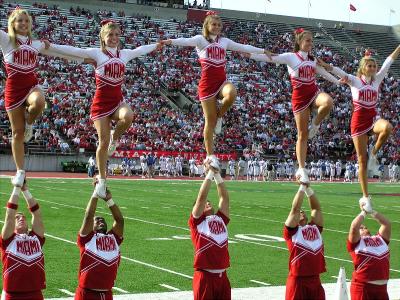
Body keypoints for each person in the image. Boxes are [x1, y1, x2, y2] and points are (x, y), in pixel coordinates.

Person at [46, 20, 162, 197]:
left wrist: (156, 45)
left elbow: (140, 50)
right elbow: (72, 51)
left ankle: (116, 138)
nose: (114, 38)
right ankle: (102, 179)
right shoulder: (97, 54)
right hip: (100, 105)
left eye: (116, 35)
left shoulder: (124, 54)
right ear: (103, 37)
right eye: (110, 35)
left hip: (117, 102)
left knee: (128, 116)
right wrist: (50, 46)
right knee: (103, 142)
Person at [161, 11, 269, 169]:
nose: (217, 27)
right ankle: (210, 155)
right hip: (206, 86)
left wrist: (262, 50)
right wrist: (169, 41)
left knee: (232, 93)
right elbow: (185, 41)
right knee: (209, 123)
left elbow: (242, 47)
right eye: (214, 24)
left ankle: (220, 116)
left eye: (219, 24)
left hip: (221, 82)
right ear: (207, 25)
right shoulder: (200, 40)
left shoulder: (224, 41)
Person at [2, 7, 83, 187]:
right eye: (19, 21)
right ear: (13, 24)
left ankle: (30, 123)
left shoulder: (36, 43)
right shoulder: (6, 40)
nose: (23, 23)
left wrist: (86, 57)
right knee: (17, 133)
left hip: (31, 86)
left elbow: (60, 50)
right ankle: (20, 172)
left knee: (39, 102)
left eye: (26, 20)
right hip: (13, 90)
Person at [247, 28, 340, 184]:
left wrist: (338, 81)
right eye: (308, 40)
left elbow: (324, 73)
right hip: (299, 99)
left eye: (312, 41)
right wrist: (250, 55)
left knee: (328, 102)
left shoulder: (312, 59)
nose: (311, 43)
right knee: (302, 135)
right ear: (299, 42)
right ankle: (302, 169)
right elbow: (272, 58)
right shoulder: (291, 57)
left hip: (314, 93)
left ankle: (315, 124)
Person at [318, 46, 400, 211]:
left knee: (388, 128)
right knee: (361, 161)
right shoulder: (355, 80)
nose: (372, 68)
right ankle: (365, 196)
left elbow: (388, 62)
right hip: (358, 123)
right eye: (369, 66)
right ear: (363, 67)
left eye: (373, 66)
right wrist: (327, 66)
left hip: (372, 119)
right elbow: (339, 72)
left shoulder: (377, 79)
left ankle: (374, 153)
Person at [189, 160, 231, 300]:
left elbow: (224, 198)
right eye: (204, 204)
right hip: (205, 277)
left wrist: (217, 175)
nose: (208, 203)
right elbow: (201, 198)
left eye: (209, 202)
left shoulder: (221, 219)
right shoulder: (197, 222)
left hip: (223, 276)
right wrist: (210, 173)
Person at [75, 185, 124, 300]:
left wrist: (109, 200)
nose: (100, 220)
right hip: (87, 293)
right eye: (97, 220)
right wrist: (96, 193)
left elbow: (120, 220)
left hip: (107, 293)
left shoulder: (114, 238)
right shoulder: (86, 238)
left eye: (102, 220)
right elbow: (88, 216)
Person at [1, 180, 45, 299]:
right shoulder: (8, 239)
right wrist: (16, 187)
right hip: (12, 294)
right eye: (18, 218)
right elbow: (9, 215)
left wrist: (25, 189)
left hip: (35, 292)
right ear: (13, 225)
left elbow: (37, 213)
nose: (21, 218)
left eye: (23, 217)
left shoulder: (36, 237)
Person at [284, 182, 326, 300]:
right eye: (299, 212)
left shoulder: (315, 228)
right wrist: (302, 185)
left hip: (315, 279)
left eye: (303, 211)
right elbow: (295, 208)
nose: (301, 211)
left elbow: (316, 208)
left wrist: (308, 189)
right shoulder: (291, 232)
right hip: (298, 281)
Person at [347, 203, 391, 299]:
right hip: (363, 287)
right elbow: (354, 226)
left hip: (382, 289)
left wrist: (372, 211)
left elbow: (386, 223)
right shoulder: (355, 243)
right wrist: (364, 212)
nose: (363, 227)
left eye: (365, 227)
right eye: (361, 228)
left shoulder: (380, 239)